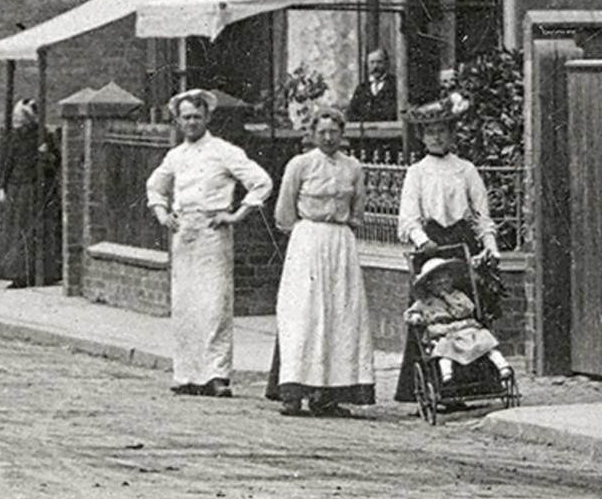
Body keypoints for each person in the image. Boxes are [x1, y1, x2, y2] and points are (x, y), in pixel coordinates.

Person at [145, 88, 272, 397]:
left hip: (213, 230)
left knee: (214, 303)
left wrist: (236, 215)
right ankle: (187, 374)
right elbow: (155, 186)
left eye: (197, 117)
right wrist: (162, 214)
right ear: (177, 120)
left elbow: (261, 181)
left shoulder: (224, 151)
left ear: (208, 117)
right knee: (186, 304)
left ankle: (216, 375)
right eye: (186, 117)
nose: (191, 123)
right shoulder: (175, 156)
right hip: (184, 231)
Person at [395, 98, 501, 402]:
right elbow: (408, 217)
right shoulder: (416, 172)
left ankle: (472, 385)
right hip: (430, 246)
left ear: (452, 133)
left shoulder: (465, 170)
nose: (437, 137)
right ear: (422, 137)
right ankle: (431, 388)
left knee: (466, 311)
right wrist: (420, 240)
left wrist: (490, 246)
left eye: (442, 130)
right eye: (430, 132)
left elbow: (481, 214)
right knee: (432, 316)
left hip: (460, 244)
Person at [273, 106, 375, 417]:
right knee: (304, 313)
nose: (328, 138)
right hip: (307, 240)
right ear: (312, 134)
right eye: (322, 132)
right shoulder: (300, 164)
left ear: (342, 134)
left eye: (334, 132)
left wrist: (341, 226)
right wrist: (307, 234)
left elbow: (358, 209)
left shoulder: (353, 167)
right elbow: (283, 212)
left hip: (340, 242)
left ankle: (328, 395)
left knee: (340, 314)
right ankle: (293, 391)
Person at [405, 255, 512, 389]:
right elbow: (409, 313)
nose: (443, 285)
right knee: (445, 348)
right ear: (429, 285)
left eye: (446, 281)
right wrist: (415, 317)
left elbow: (466, 310)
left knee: (484, 339)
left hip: (464, 328)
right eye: (438, 283)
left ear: (451, 280)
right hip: (442, 332)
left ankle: (502, 366)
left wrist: (448, 298)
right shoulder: (425, 302)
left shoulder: (458, 295)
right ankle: (447, 375)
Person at [0, 99, 62, 288]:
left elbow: (56, 161)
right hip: (18, 189)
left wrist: (45, 155)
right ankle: (17, 273)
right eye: (15, 117)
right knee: (17, 232)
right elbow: (6, 163)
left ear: (28, 118)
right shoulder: (13, 137)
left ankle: (44, 273)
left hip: (37, 189)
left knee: (39, 232)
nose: (17, 120)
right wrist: (2, 187)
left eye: (20, 117)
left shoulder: (44, 135)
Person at [347, 48, 398, 122]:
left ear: (386, 64)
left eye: (379, 62)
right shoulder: (361, 88)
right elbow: (352, 113)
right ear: (367, 65)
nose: (375, 67)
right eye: (372, 62)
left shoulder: (395, 85)